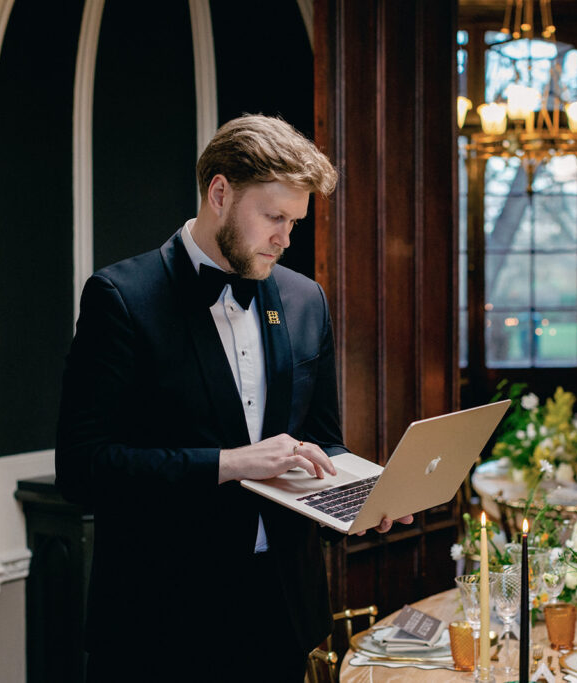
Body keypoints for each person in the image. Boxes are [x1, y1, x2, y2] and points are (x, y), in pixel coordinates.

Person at [55, 114, 410, 681]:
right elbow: (82, 467)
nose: (285, 238)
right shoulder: (121, 298)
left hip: (282, 615)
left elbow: (322, 440)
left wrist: (360, 497)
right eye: (274, 217)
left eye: (294, 221)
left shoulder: (304, 299)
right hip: (160, 623)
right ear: (220, 192)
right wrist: (228, 465)